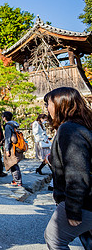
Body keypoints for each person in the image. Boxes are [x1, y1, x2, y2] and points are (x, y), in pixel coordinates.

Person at [43, 87, 92, 250]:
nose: (47, 108)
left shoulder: (68, 129)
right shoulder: (82, 125)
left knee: (54, 237)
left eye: (48, 103)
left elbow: (77, 173)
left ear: (60, 105)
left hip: (84, 201)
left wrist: (73, 209)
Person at [2, 111, 23, 186]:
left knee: (12, 163)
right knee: (14, 163)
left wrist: (7, 150)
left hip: (11, 147)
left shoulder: (8, 126)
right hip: (16, 146)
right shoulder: (14, 125)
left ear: (5, 118)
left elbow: (8, 139)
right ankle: (17, 180)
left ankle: (17, 181)